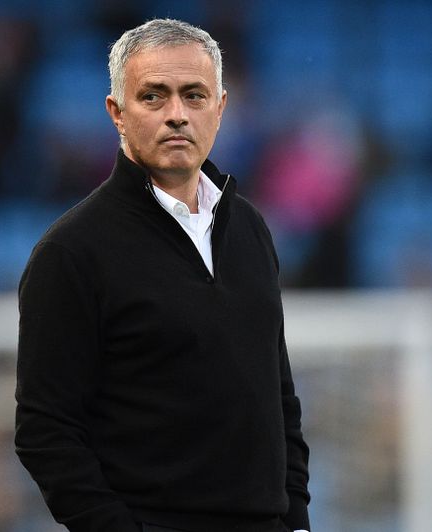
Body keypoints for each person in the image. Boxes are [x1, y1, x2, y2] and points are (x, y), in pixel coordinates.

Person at [15, 19, 310, 532]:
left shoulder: (251, 229)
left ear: (220, 107)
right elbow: (46, 432)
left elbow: (280, 399)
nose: (177, 114)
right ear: (117, 113)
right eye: (153, 96)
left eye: (194, 96)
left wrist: (298, 523)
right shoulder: (71, 253)